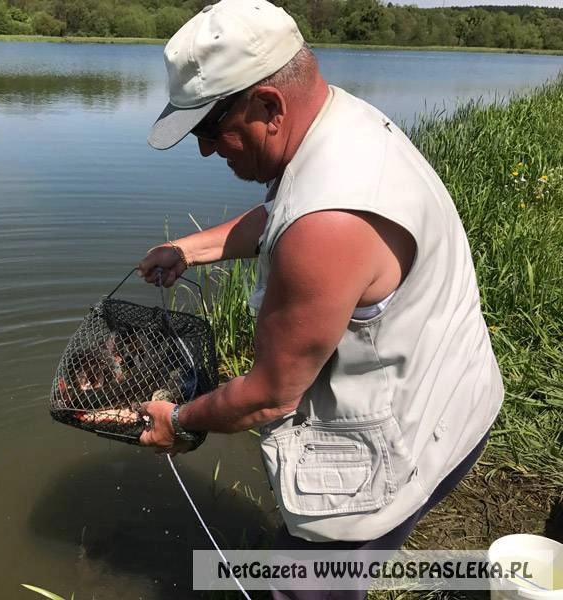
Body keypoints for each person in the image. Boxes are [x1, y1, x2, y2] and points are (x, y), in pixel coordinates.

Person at [136, 0, 504, 598]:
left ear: (268, 105)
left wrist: (176, 420)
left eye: (209, 129)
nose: (206, 150)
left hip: (409, 440)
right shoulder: (343, 123)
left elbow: (269, 396)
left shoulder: (330, 222)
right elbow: (286, 210)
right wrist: (191, 250)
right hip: (454, 398)